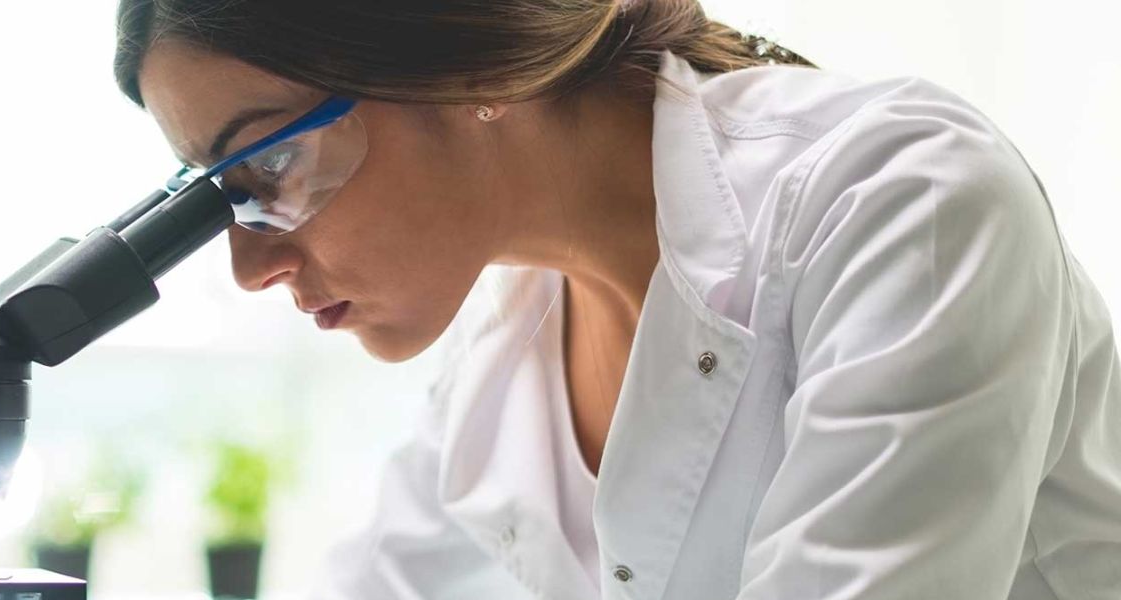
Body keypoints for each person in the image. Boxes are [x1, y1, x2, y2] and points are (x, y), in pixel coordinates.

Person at [113, 0, 1121, 598]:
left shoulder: (901, 199)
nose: (251, 268)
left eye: (269, 165)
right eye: (222, 203)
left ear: (454, 58)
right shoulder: (505, 344)